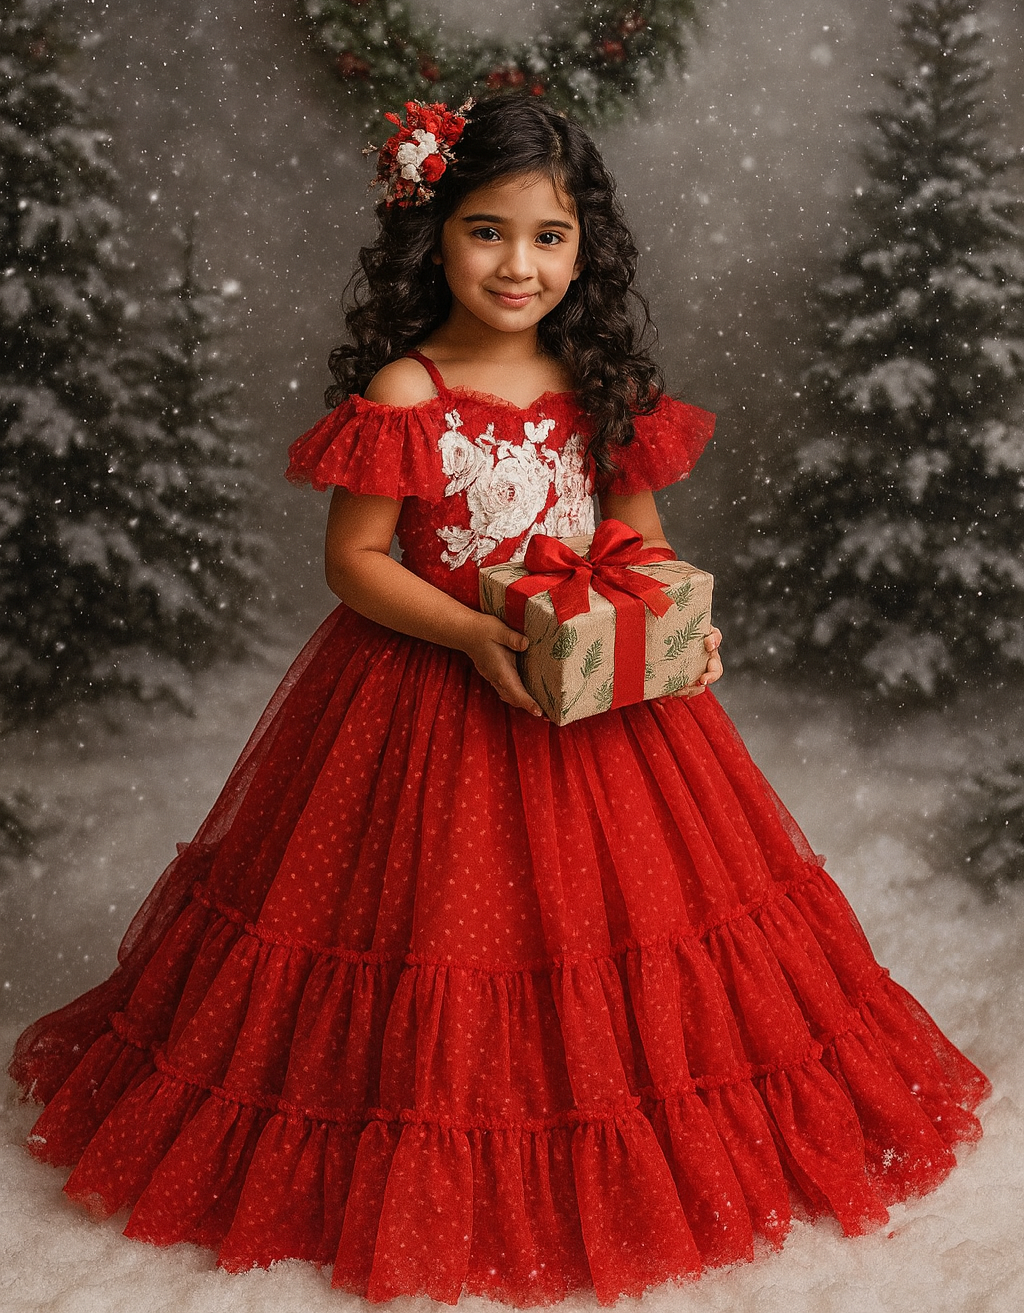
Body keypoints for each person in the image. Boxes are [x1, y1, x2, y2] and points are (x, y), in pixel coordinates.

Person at [10, 93, 988, 1305]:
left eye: (548, 236)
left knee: (628, 913)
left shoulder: (596, 384)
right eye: (486, 232)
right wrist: (478, 637)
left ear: (585, 249)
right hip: (430, 690)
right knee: (428, 929)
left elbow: (634, 537)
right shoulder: (411, 389)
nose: (518, 265)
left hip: (595, 695)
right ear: (436, 236)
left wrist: (679, 627)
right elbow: (354, 565)